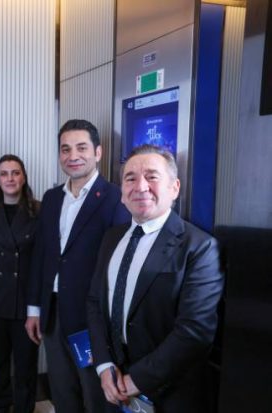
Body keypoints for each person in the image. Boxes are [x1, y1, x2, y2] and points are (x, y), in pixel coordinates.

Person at [87, 144, 224, 412]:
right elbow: (94, 302)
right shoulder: (111, 238)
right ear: (122, 194)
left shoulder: (200, 247)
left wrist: (136, 380)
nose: (140, 186)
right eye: (130, 178)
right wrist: (104, 365)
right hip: (113, 381)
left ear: (174, 188)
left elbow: (195, 331)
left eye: (152, 176)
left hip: (169, 391)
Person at [25, 119, 130, 412]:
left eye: (81, 148)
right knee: (63, 393)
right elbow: (41, 255)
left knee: (96, 397)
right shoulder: (51, 198)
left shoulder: (115, 198)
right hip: (53, 313)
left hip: (92, 318)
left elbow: (119, 265)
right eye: (65, 149)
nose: (73, 156)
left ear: (98, 152)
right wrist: (34, 309)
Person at [0, 154, 41, 413]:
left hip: (27, 301)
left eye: (15, 173)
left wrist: (38, 305)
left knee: (26, 365)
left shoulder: (39, 210)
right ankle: (2, 407)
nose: (10, 178)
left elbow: (43, 260)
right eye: (4, 173)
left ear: (23, 177)